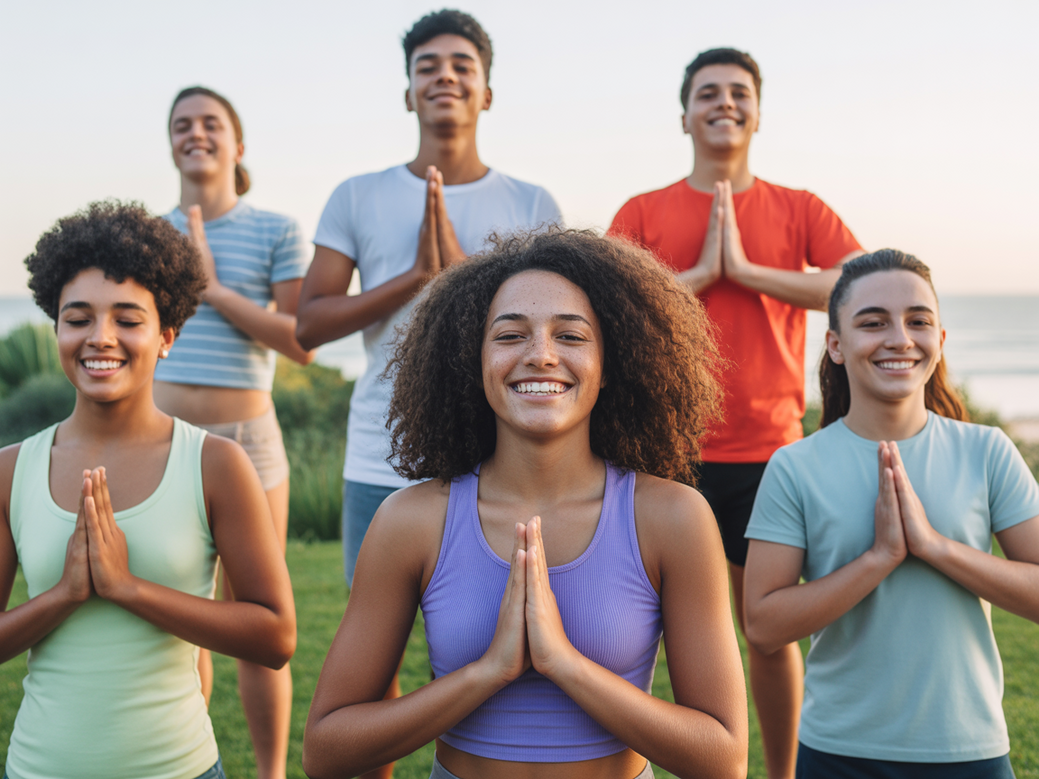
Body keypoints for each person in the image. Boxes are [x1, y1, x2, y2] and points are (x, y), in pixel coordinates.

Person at [302, 229, 748, 779]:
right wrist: (487, 672)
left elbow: (724, 758)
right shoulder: (412, 520)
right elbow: (326, 750)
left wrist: (565, 664)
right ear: (474, 360)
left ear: (610, 363)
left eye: (571, 336)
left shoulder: (672, 517)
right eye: (510, 335)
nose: (540, 355)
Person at [608, 47, 864, 779]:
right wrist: (698, 275)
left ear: (757, 112)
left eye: (738, 92)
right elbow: (604, 303)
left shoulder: (799, 207)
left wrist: (747, 272)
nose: (724, 102)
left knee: (766, 631)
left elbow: (855, 284)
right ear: (684, 115)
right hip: (664, 449)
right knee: (653, 631)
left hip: (768, 453)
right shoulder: (643, 210)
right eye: (708, 92)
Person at [0, 201, 296, 779]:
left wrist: (128, 589)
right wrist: (64, 595)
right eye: (77, 318)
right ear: (57, 329)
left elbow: (276, 636)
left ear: (166, 336)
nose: (100, 338)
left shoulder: (215, 464)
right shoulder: (13, 470)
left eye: (128, 320)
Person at [742, 250, 1039, 778]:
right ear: (836, 345)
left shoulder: (988, 451)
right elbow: (763, 626)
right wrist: (878, 559)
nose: (900, 338)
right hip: (837, 754)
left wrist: (934, 547)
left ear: (940, 340)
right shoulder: (795, 467)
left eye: (918, 321)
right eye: (873, 322)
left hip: (970, 752)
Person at [295, 8, 562, 589]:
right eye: (428, 67)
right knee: (374, 638)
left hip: (495, 456)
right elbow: (308, 325)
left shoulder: (532, 202)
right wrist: (415, 277)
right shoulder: (356, 196)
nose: (445, 75)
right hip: (379, 454)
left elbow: (546, 330)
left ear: (486, 93)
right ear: (408, 93)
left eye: (462, 65)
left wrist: (458, 274)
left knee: (492, 634)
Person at [154, 86, 313, 779]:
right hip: (161, 439)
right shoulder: (148, 233)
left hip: (248, 438)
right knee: (179, 622)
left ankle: (271, 773)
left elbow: (302, 341)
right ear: (171, 143)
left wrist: (213, 289)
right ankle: (186, 763)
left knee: (254, 620)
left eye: (211, 123)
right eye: (182, 124)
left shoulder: (276, 228)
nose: (196, 133)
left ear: (237, 144)